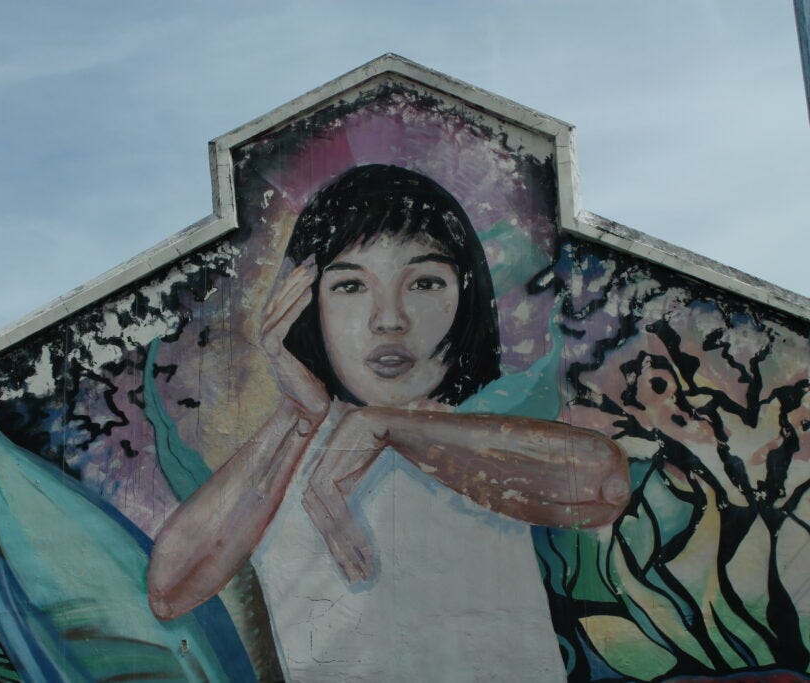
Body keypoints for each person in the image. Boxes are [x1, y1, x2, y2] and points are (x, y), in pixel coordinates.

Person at [147, 165, 629, 679]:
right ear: (304, 303)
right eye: (350, 286)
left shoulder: (481, 436)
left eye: (424, 282)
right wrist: (298, 415)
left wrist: (388, 426)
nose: (389, 319)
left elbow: (603, 483)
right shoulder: (293, 443)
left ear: (466, 297)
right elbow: (170, 590)